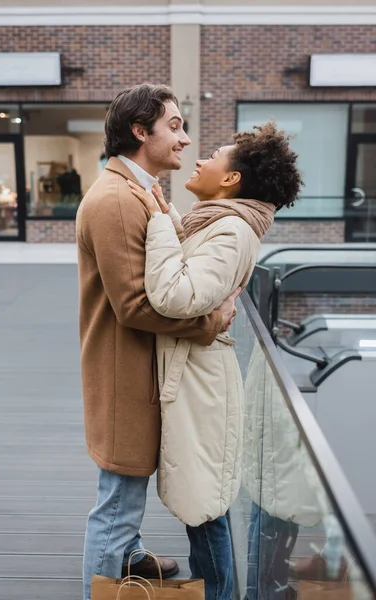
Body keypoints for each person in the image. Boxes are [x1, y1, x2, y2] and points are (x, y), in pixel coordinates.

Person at [76, 83, 239, 600]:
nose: (186, 140)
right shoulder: (118, 199)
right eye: (175, 126)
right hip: (126, 378)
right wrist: (211, 322)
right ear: (139, 131)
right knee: (116, 509)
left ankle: (133, 555)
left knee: (124, 503)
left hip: (139, 372)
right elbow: (134, 306)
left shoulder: (140, 193)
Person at [127, 121, 303, 600]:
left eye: (215, 156)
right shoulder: (216, 222)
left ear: (231, 180)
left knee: (205, 509)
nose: (200, 159)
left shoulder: (230, 230)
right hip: (197, 376)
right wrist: (168, 216)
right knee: (205, 504)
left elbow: (174, 295)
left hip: (202, 385)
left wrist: (160, 219)